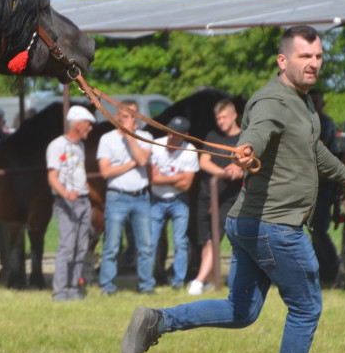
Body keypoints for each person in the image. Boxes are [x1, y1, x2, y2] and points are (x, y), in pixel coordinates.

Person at [121, 25, 345, 353]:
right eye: (305, 57)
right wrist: (245, 150)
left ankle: (158, 321)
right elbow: (257, 133)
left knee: (241, 311)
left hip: (249, 223)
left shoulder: (302, 102)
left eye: (318, 57)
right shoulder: (272, 101)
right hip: (275, 227)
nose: (313, 64)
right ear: (282, 60)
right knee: (307, 307)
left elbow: (313, 150)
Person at [97, 101, 154, 294]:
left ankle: (146, 285)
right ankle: (107, 286)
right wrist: (131, 163)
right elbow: (105, 172)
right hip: (117, 197)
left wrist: (130, 136)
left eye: (133, 116)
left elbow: (143, 160)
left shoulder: (145, 136)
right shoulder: (107, 139)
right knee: (112, 245)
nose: (130, 120)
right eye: (126, 117)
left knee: (145, 246)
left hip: (141, 197)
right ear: (117, 117)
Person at [189, 99, 244, 295]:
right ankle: (211, 280)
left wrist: (238, 167)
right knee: (206, 239)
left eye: (224, 117)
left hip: (229, 197)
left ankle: (198, 280)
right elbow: (203, 162)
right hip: (208, 193)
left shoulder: (244, 137)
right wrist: (224, 173)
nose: (221, 122)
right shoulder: (212, 136)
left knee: (215, 236)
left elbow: (247, 161)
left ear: (234, 115)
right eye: (218, 118)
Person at [46, 105, 96, 301]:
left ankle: (73, 288)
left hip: (83, 200)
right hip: (67, 202)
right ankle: (60, 291)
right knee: (67, 246)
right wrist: (66, 194)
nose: (90, 128)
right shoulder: (57, 145)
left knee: (81, 247)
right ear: (78, 125)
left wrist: (84, 185)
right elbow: (52, 177)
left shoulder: (80, 146)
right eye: (88, 125)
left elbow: (77, 170)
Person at [146, 116, 199, 289]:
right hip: (157, 200)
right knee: (151, 241)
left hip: (179, 201)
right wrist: (177, 177)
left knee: (180, 242)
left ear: (185, 135)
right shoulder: (156, 145)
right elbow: (152, 179)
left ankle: (178, 281)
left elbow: (186, 185)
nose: (171, 136)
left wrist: (163, 177)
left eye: (176, 134)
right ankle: (148, 281)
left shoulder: (190, 150)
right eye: (169, 131)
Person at [309, 89, 341, 285]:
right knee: (313, 229)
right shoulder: (306, 122)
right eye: (310, 101)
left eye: (315, 101)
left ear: (322, 104)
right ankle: (324, 271)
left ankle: (333, 268)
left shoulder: (325, 123)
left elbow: (319, 145)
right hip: (311, 181)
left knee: (318, 228)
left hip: (325, 181)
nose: (312, 105)